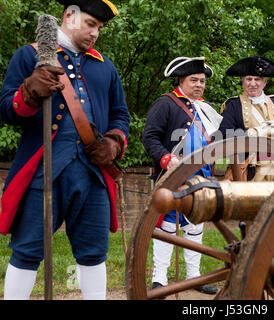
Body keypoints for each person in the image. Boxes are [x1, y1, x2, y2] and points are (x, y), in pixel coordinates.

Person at [0, 0, 130, 300]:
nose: (95, 33)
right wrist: (29, 92)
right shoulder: (29, 56)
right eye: (90, 24)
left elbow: (120, 115)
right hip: (42, 172)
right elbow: (6, 109)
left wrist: (114, 141)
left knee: (94, 252)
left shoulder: (105, 67)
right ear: (69, 16)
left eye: (99, 28)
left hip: (92, 174)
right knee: (27, 250)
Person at [142, 56, 222, 295]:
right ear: (181, 80)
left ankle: (193, 278)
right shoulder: (166, 104)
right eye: (194, 80)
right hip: (173, 176)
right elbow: (150, 138)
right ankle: (159, 279)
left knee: (195, 226)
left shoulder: (206, 109)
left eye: (202, 81)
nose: (199, 85)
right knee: (167, 226)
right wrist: (167, 159)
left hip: (201, 177)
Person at [219, 56, 274, 181]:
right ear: (242, 80)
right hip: (247, 173)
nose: (252, 83)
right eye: (248, 79)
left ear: (265, 81)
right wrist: (253, 133)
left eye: (257, 79)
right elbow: (224, 135)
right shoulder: (233, 105)